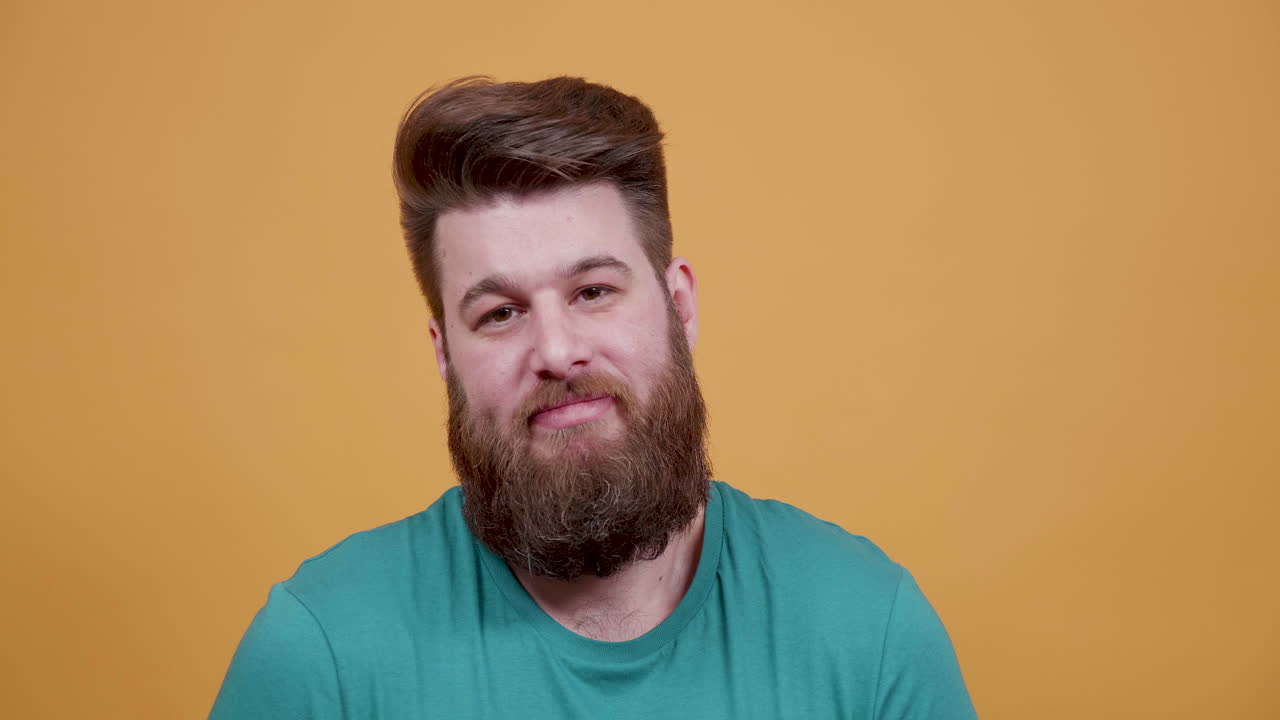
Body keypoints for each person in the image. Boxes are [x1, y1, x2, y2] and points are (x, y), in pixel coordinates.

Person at [210, 76, 977, 719]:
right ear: (445, 354)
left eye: (594, 290)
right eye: (499, 312)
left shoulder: (868, 631)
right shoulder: (321, 656)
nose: (555, 351)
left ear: (679, 305)